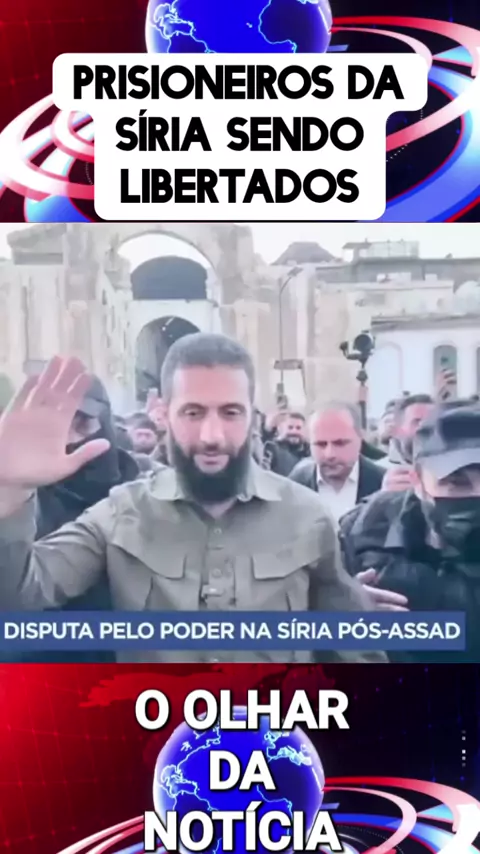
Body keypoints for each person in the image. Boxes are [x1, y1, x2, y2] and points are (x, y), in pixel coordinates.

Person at [0, 335, 388, 664]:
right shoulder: (120, 513)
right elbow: (21, 596)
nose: (211, 436)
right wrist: (9, 489)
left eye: (230, 412)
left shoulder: (308, 517)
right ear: (165, 415)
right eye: (193, 412)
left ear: (252, 417)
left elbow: (355, 655)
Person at [3, 374, 162, 664]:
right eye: (55, 426)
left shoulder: (148, 488)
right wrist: (11, 493)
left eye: (82, 424)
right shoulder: (21, 500)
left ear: (107, 424)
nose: (69, 438)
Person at [339, 403, 480, 662]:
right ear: (416, 480)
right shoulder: (361, 534)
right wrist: (343, 617)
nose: (476, 495)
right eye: (456, 482)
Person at [290, 402, 384, 524]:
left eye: (340, 443)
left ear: (361, 438)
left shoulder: (383, 484)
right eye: (320, 444)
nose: (330, 454)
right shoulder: (294, 485)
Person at [380, 394, 434, 491]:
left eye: (431, 421)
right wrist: (385, 496)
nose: (426, 427)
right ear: (397, 430)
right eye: (417, 422)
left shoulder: (451, 471)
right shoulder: (376, 473)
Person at [262, 411, 310, 476]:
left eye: (298, 428)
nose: (294, 432)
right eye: (290, 427)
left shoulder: (310, 453)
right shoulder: (271, 449)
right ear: (280, 429)